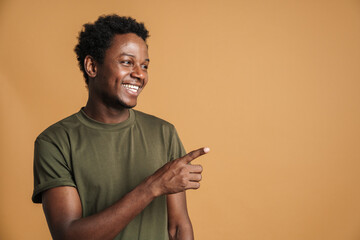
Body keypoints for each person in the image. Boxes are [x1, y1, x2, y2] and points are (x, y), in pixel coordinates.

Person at [32, 14, 209, 240]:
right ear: (92, 66)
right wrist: (152, 187)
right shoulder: (55, 142)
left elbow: (178, 227)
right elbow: (68, 235)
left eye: (144, 65)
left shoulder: (164, 133)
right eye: (127, 62)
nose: (140, 74)